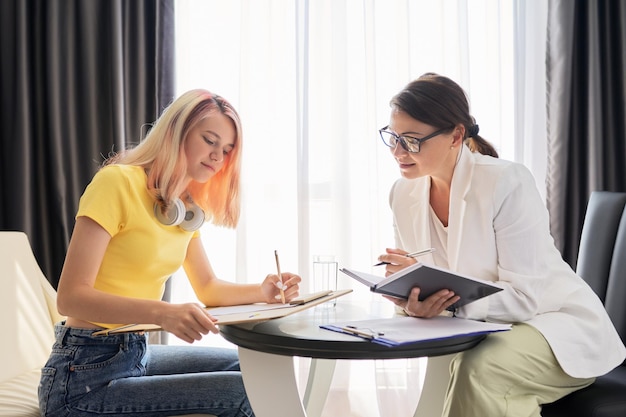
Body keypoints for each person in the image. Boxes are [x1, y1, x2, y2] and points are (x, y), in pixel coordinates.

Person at [38, 89, 301, 417]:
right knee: (243, 393)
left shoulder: (183, 208)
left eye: (227, 149)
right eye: (209, 140)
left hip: (135, 352)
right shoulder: (116, 183)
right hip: (81, 378)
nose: (218, 157)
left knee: (252, 367)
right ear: (177, 131)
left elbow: (208, 288)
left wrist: (262, 292)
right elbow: (71, 298)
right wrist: (162, 313)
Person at [376, 73, 626, 417]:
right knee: (464, 370)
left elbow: (524, 298)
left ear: (456, 136)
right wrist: (407, 296)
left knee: (480, 368)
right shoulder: (403, 193)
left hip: (552, 324)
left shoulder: (506, 181)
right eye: (392, 137)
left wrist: (448, 305)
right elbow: (429, 281)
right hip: (482, 327)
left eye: (412, 140)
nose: (397, 152)